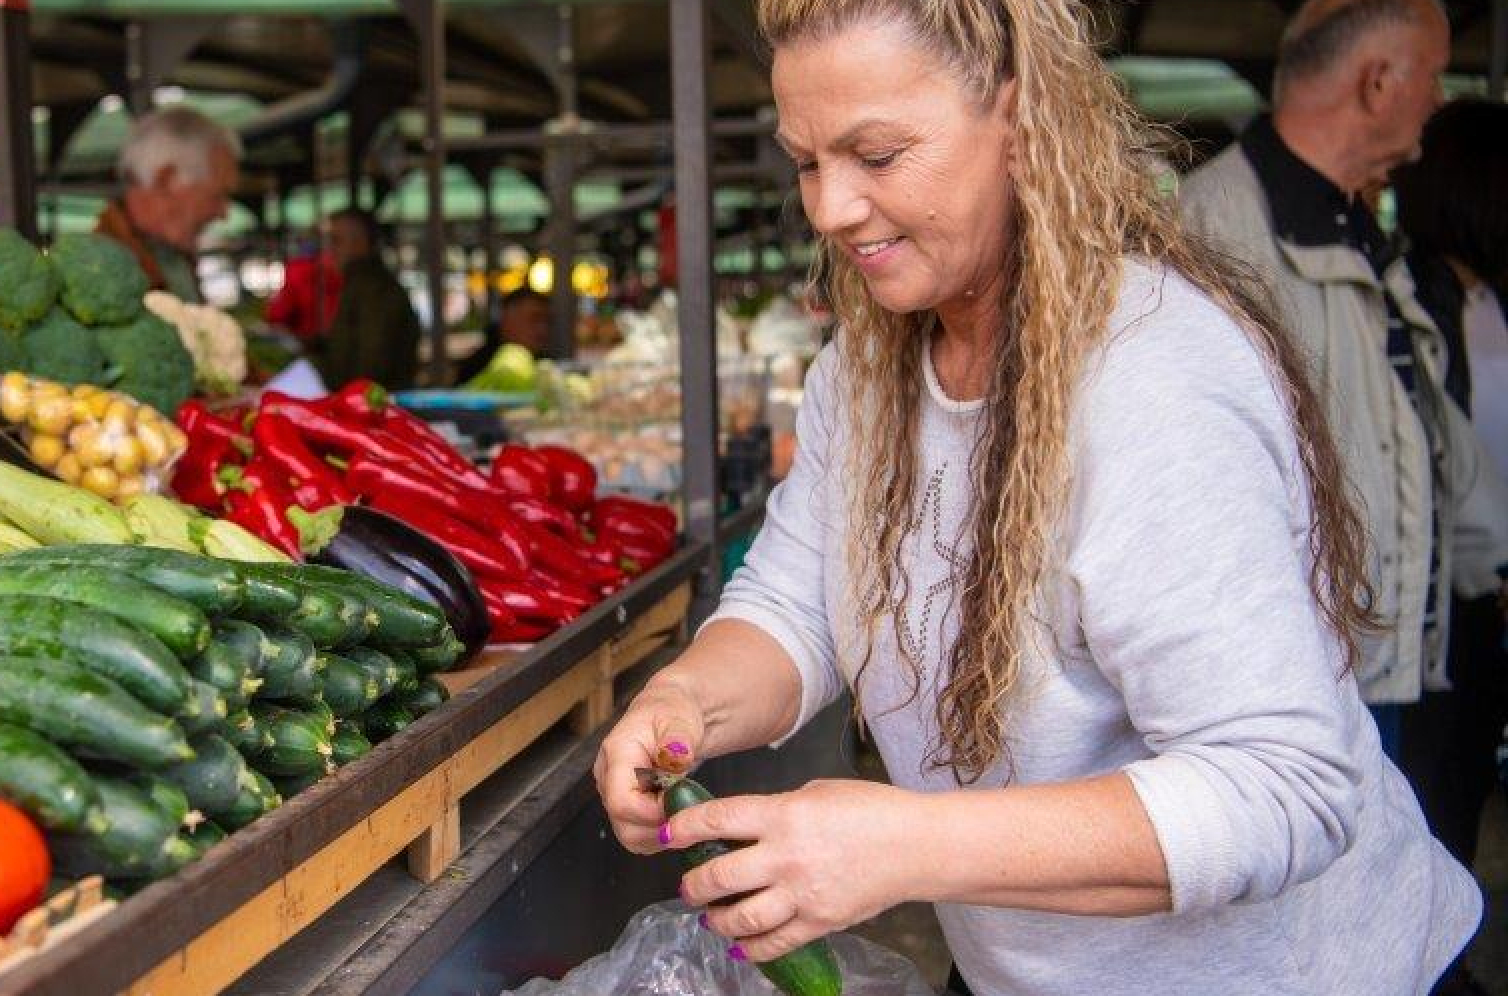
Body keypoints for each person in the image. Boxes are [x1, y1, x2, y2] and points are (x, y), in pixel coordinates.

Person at [593, 1, 1479, 994]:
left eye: (876, 156)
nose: (828, 208)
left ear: (1017, 121)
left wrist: (902, 845)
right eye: (806, 161)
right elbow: (794, 603)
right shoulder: (865, 368)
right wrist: (686, 702)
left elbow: (1280, 789)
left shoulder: (1147, 379)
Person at [1179, 0, 1508, 754]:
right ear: (1379, 81)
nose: (1440, 101)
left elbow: (1419, 429)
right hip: (1290, 689)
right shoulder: (1215, 233)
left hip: (1374, 667)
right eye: (1431, 77)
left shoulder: (1351, 226)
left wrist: (1489, 560)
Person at [1391, 96, 1508, 996]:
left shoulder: (1490, 299)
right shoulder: (1407, 295)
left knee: (1461, 785)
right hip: (1446, 601)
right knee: (1427, 790)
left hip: (1486, 585)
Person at [95, 105, 242, 303]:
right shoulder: (100, 270)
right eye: (217, 196)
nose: (224, 214)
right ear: (167, 179)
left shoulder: (177, 254)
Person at [313, 208, 420, 389]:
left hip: (378, 405)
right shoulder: (358, 285)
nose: (330, 250)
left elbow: (371, 368)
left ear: (360, 243)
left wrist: (317, 368)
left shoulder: (376, 290)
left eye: (336, 241)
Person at [453, 287, 550, 384]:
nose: (543, 329)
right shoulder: (476, 366)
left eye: (547, 321)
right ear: (508, 319)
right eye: (534, 319)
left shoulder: (547, 367)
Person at [265, 236, 342, 344]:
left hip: (308, 343)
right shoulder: (341, 268)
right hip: (341, 343)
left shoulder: (297, 270)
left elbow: (279, 314)